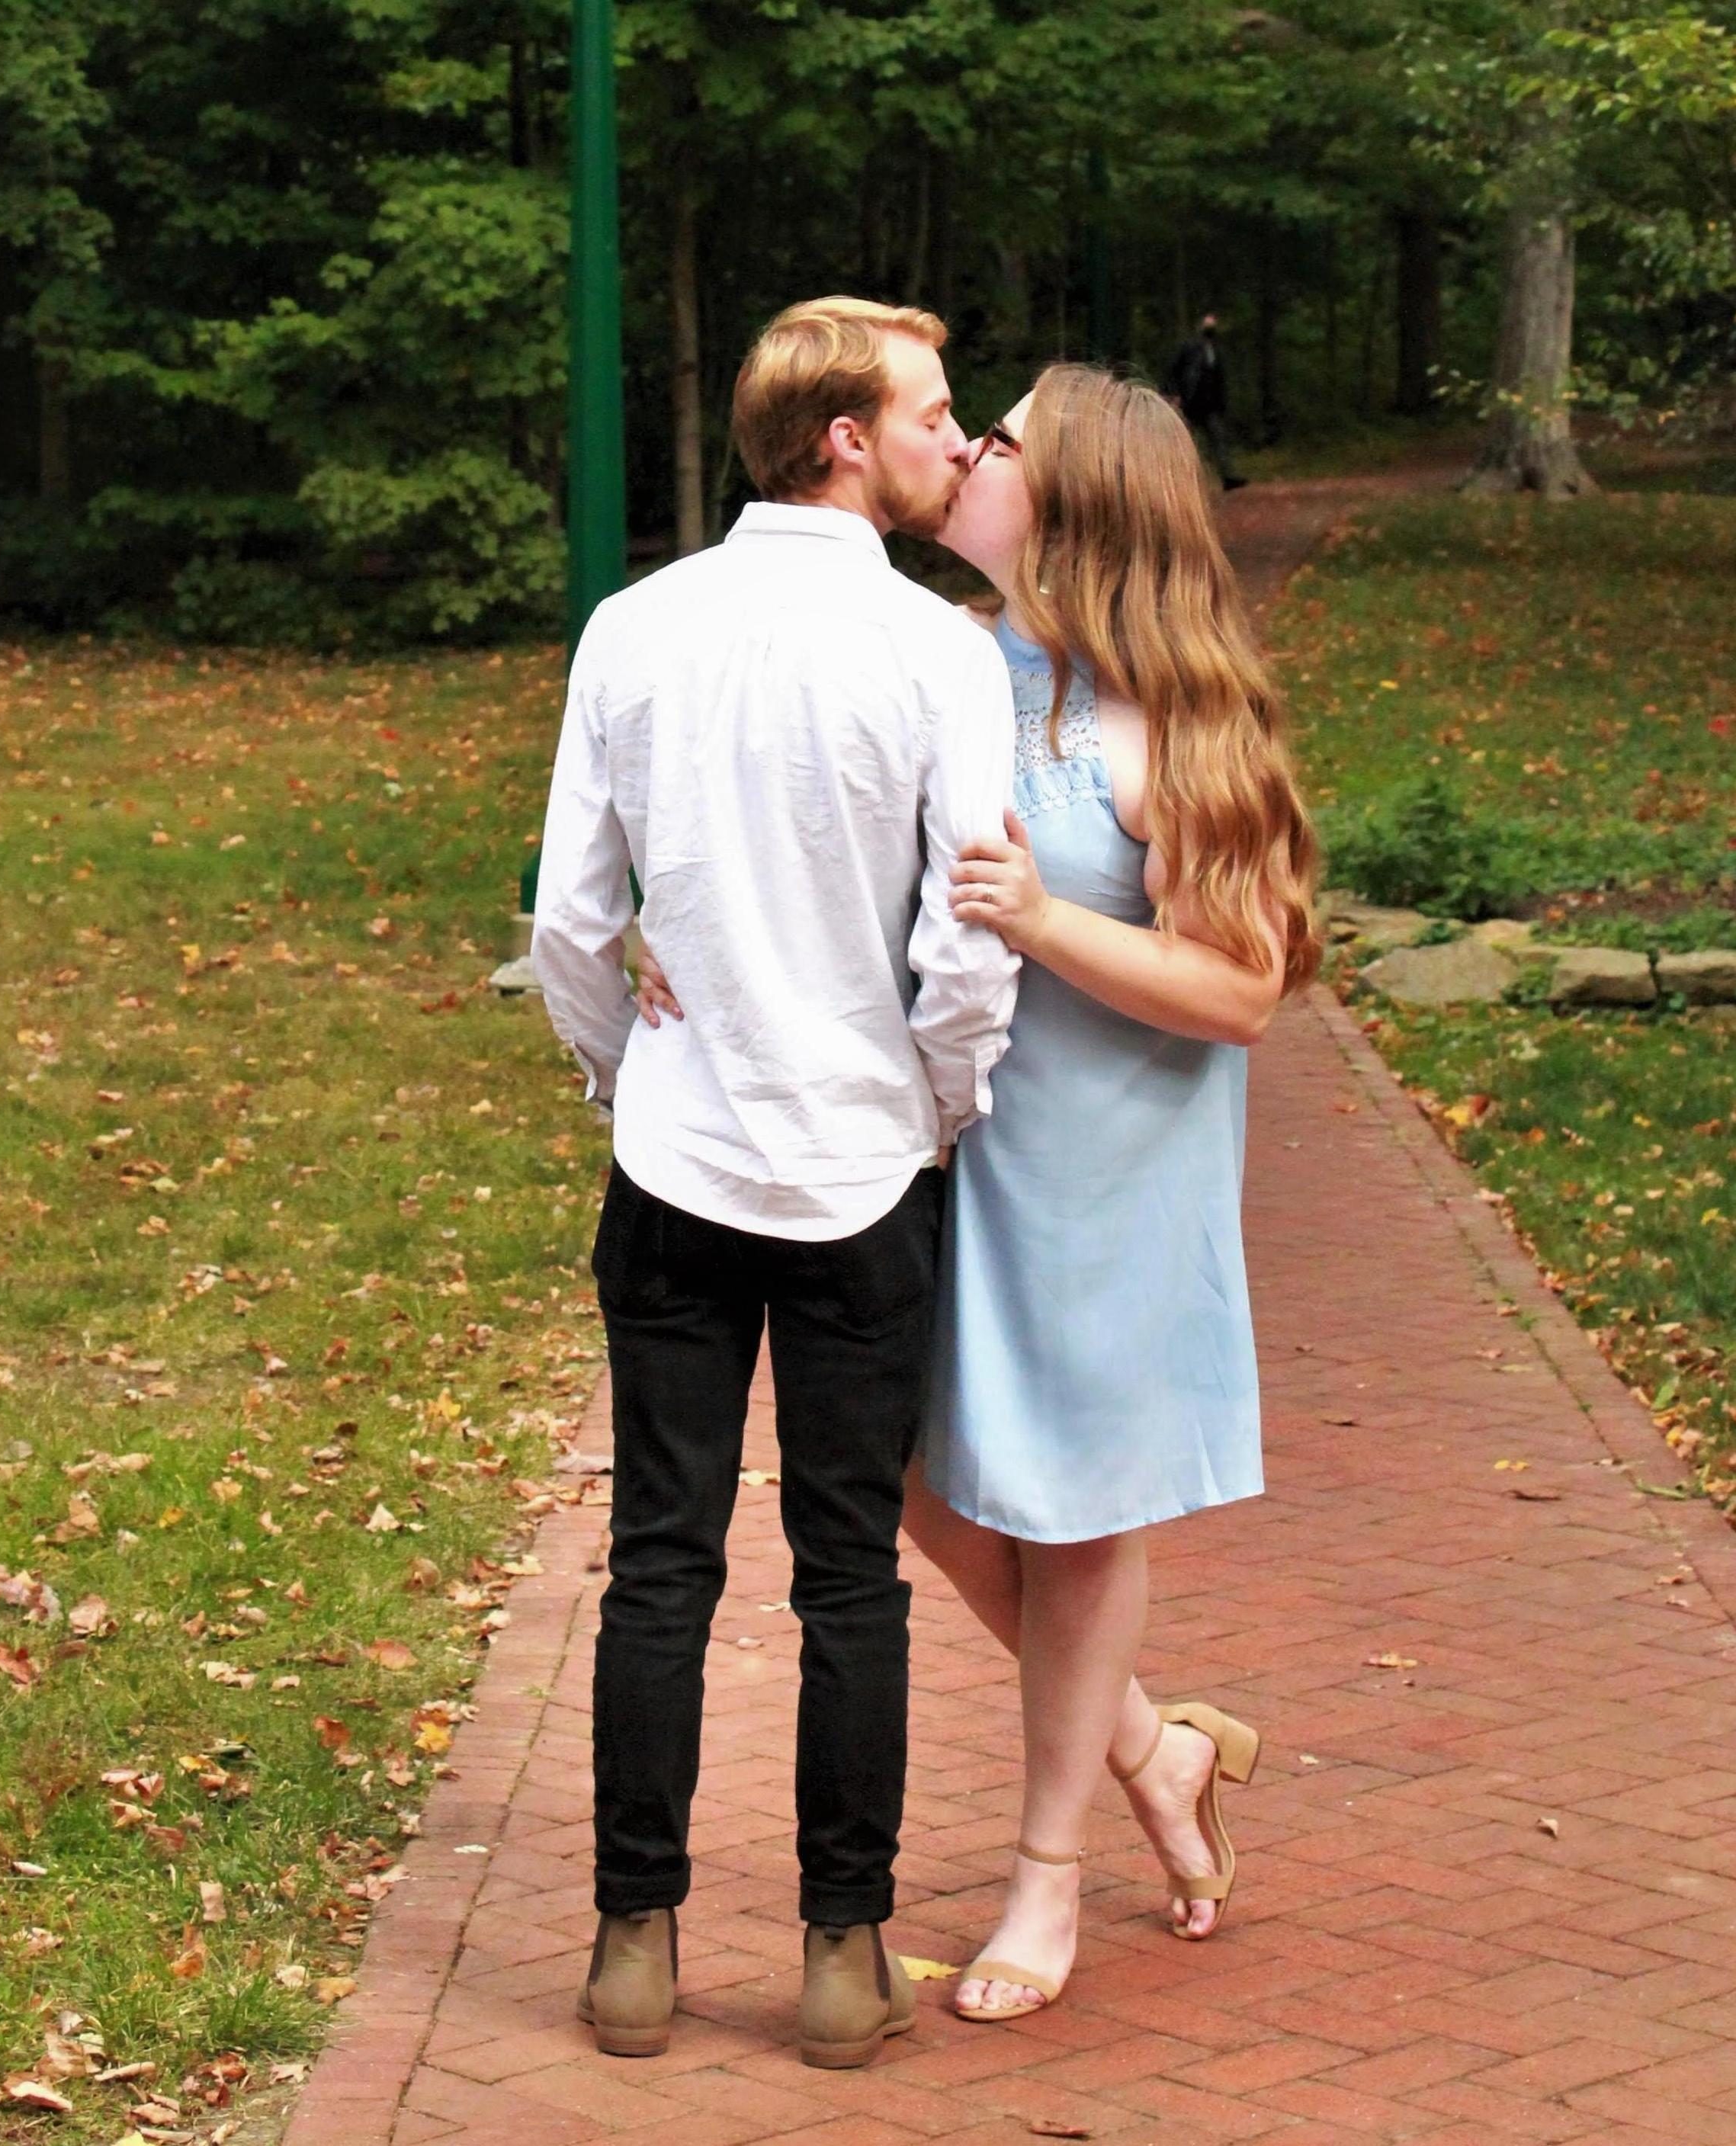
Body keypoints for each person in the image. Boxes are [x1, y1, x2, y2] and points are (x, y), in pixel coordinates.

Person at [531, 296, 1021, 2069]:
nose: (956, 441)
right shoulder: (939, 654)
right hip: (859, 1166)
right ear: (844, 438)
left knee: (660, 1561)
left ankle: (631, 1947)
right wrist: (935, 1106)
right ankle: (840, 1953)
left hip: (674, 1162)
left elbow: (570, 923)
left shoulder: (636, 627)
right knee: (846, 1577)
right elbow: (966, 950)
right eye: (933, 413)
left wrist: (628, 1073)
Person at [907, 363, 1319, 2021]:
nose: (966, 451)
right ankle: (1155, 1747)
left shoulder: (1178, 716)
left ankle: (1045, 1878)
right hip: (941, 1157)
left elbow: (1244, 987)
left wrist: (1044, 921)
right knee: (905, 1481)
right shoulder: (939, 662)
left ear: (1075, 498)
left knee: (1072, 1520)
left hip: (1106, 1174)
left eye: (1001, 439)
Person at [1164, 312, 1246, 489]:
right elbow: (1173, 371)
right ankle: (1179, 478)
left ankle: (1227, 477)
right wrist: (1174, 394)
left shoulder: (1216, 349)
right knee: (1185, 441)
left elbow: (1219, 379)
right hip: (1191, 403)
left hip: (1210, 405)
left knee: (1219, 440)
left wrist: (1222, 403)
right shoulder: (1189, 347)